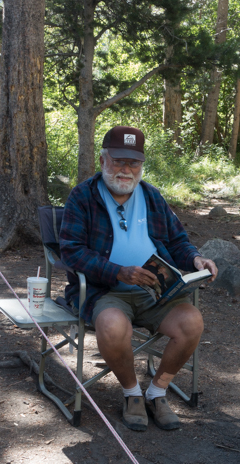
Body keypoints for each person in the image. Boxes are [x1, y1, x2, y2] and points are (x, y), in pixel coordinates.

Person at [59, 126, 217, 431]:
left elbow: (177, 241)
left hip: (155, 291)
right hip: (105, 290)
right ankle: (132, 394)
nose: (126, 170)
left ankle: (157, 392)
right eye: (118, 161)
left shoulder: (152, 196)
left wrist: (196, 259)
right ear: (103, 160)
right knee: (113, 325)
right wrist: (117, 271)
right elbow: (71, 252)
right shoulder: (83, 197)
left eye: (133, 163)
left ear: (141, 165)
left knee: (191, 323)